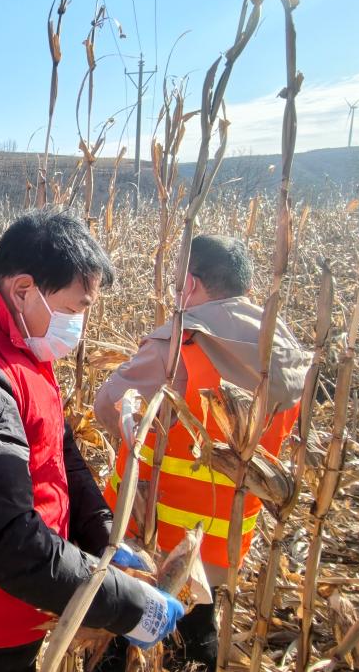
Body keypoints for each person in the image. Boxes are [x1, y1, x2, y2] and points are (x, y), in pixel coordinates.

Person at [0, 211, 182, 672]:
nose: (79, 325)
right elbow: (6, 540)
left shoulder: (17, 339)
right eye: (75, 309)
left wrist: (101, 531)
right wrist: (129, 607)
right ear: (24, 290)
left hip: (7, 610)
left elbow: (57, 449)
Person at [92, 234, 311, 669]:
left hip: (152, 535)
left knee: (114, 637)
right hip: (224, 538)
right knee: (197, 635)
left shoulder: (181, 342)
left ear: (190, 284)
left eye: (177, 283)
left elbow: (106, 406)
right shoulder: (284, 351)